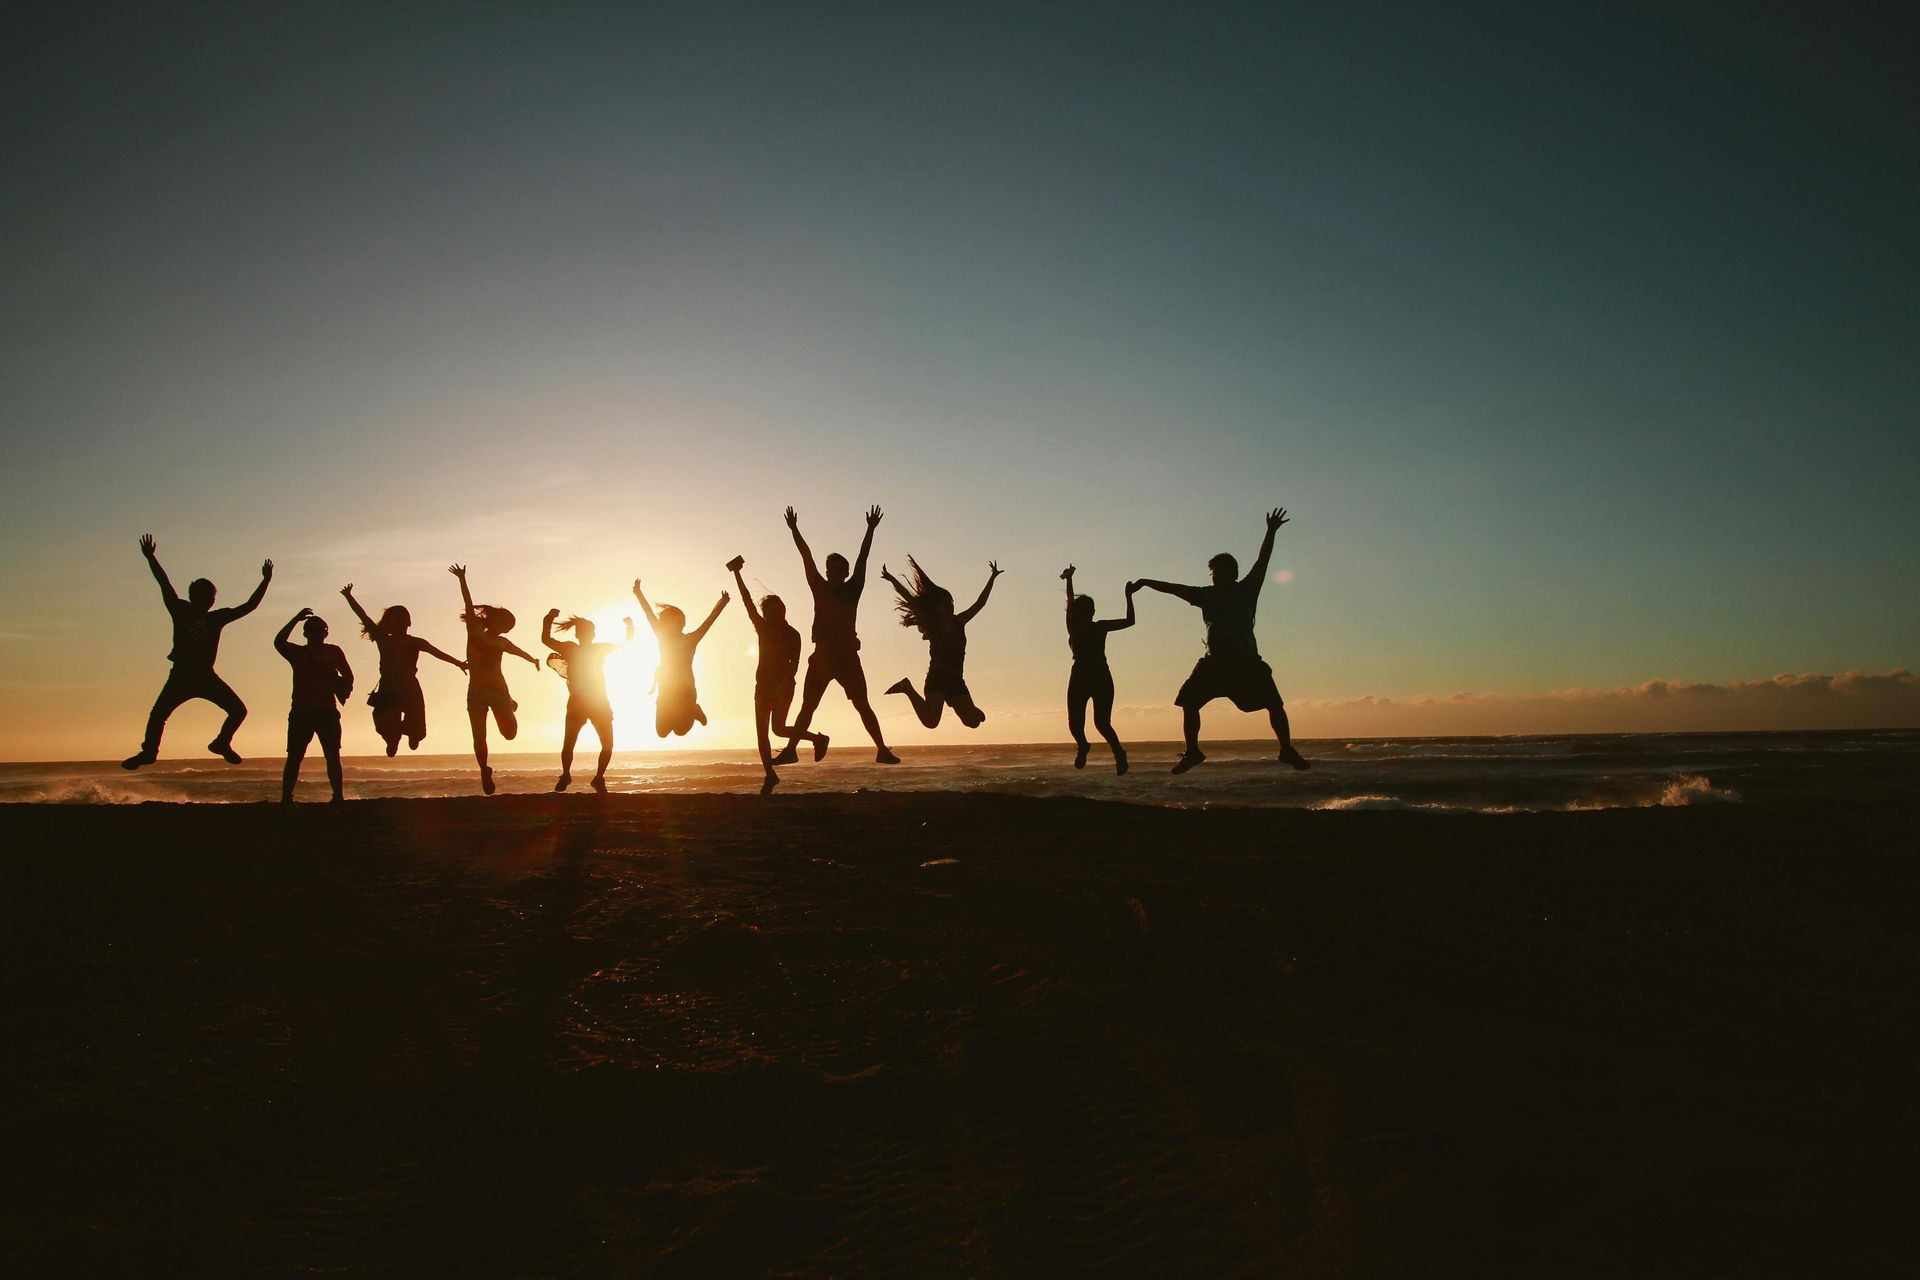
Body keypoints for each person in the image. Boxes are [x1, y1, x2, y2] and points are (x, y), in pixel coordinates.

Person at [1132, 508, 1311, 774]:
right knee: (1189, 702)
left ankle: (1286, 749)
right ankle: (1193, 752)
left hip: (1245, 661)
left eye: (1218, 572)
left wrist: (1270, 531)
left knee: (1274, 704)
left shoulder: (1247, 590)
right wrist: (1146, 582)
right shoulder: (1205, 595)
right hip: (1214, 663)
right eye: (1213, 572)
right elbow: (1174, 588)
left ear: (1233, 573)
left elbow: (1263, 560)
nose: (1215, 576)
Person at [123, 534, 272, 769]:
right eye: (202, 596)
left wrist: (265, 581)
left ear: (213, 600)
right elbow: (164, 583)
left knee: (238, 710)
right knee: (158, 714)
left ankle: (221, 743)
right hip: (182, 675)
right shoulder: (180, 609)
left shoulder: (217, 617)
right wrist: (151, 558)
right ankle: (149, 752)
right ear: (192, 597)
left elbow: (249, 606)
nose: (207, 601)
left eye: (210, 597)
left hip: (205, 676)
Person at [780, 505, 899, 764]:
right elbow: (806, 556)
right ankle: (791, 751)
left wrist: (870, 529)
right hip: (822, 656)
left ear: (845, 573)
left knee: (862, 705)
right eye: (830, 569)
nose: (833, 573)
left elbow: (862, 558)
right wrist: (794, 530)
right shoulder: (819, 587)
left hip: (846, 658)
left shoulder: (853, 588)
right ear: (827, 573)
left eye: (838, 570)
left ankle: (882, 749)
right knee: (807, 707)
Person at [727, 555, 829, 793]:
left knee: (779, 729)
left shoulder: (793, 634)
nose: (775, 614)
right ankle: (770, 775)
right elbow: (747, 602)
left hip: (783, 687)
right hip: (761, 686)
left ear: (784, 610)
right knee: (763, 733)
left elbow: (795, 666)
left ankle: (818, 739)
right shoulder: (762, 628)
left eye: (778, 610)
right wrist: (737, 574)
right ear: (766, 614)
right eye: (770, 611)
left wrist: (782, 685)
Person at [340, 585, 467, 756]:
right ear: (389, 624)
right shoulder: (383, 639)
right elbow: (363, 616)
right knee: (386, 724)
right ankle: (392, 739)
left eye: (403, 618)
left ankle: (412, 734)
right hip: (388, 687)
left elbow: (437, 653)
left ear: (408, 622)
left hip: (409, 687)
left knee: (418, 727)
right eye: (395, 619)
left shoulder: (416, 642)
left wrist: (458, 663)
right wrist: (349, 597)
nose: (400, 622)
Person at [450, 564, 541, 794]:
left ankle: (510, 704)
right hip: (476, 693)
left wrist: (533, 660)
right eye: (505, 625)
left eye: (509, 628)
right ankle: (484, 771)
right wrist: (462, 579)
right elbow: (469, 605)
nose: (506, 631)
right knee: (479, 736)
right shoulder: (474, 632)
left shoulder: (502, 643)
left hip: (499, 692)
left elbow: (518, 651)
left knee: (510, 734)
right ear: (495, 621)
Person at [881, 557, 1001, 729]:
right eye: (944, 604)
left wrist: (992, 577)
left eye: (950, 603)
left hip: (956, 679)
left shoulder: (959, 621)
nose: (949, 607)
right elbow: (911, 601)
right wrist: (892, 579)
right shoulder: (932, 625)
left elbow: (979, 603)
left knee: (973, 722)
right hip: (938, 677)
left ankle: (963, 706)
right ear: (934, 608)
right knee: (931, 722)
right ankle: (907, 688)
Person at [543, 608, 632, 793]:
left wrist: (630, 627)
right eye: (585, 632)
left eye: (588, 632)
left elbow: (626, 643)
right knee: (572, 743)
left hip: (597, 701)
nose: (587, 635)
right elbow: (546, 640)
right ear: (581, 634)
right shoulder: (573, 648)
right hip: (582, 701)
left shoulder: (594, 648)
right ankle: (568, 775)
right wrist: (548, 618)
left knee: (605, 744)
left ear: (592, 634)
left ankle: (597, 778)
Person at [273, 608, 353, 803]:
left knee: (332, 756)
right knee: (295, 757)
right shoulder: (298, 653)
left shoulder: (334, 651)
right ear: (306, 633)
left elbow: (349, 676)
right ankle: (286, 798)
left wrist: (340, 685)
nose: (317, 633)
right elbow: (278, 642)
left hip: (327, 711)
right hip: (302, 711)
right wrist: (295, 619)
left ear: (326, 633)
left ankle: (338, 797)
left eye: (320, 630)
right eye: (313, 630)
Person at [1060, 565, 1135, 774]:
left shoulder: (1100, 626)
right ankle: (1083, 746)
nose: (1088, 614)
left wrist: (1128, 596)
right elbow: (1069, 601)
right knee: (1075, 724)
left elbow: (1130, 621)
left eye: (1090, 610)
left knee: (1102, 723)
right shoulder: (1073, 626)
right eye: (1083, 610)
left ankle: (1119, 753)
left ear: (1093, 612)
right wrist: (1069, 579)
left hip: (1100, 676)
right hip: (1080, 676)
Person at [632, 578, 728, 738]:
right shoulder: (662, 637)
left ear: (681, 624)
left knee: (680, 731)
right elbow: (649, 615)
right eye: (664, 622)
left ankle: (694, 709)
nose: (664, 625)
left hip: (685, 692)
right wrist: (638, 593)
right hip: (666, 690)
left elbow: (709, 621)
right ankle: (691, 711)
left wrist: (722, 602)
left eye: (669, 622)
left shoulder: (690, 639)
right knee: (662, 732)